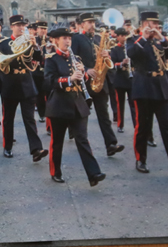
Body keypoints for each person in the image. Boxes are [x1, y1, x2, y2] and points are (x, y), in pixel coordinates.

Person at [127, 11, 168, 177]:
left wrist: (163, 39)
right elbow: (132, 54)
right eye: (152, 24)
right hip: (144, 87)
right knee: (143, 126)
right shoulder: (133, 39)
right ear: (144, 24)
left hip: (161, 86)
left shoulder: (160, 40)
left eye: (157, 24)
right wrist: (143, 37)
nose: (156, 27)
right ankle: (140, 159)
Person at [43, 28, 106, 186]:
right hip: (59, 105)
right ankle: (55, 171)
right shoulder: (51, 59)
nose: (67, 41)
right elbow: (50, 81)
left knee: (82, 140)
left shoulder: (76, 58)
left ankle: (93, 174)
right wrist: (69, 79)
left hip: (77, 103)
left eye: (69, 38)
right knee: (57, 142)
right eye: (64, 38)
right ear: (56, 40)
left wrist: (83, 73)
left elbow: (81, 78)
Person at [0, 15, 48, 161]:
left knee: (30, 119)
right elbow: (0, 65)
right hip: (10, 84)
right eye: (18, 25)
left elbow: (37, 60)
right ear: (12, 26)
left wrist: (36, 47)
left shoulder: (30, 41)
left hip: (27, 83)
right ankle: (8, 147)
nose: (21, 28)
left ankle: (36, 149)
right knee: (8, 119)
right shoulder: (3, 43)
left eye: (23, 25)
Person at [70, 13, 125, 156]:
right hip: (85, 83)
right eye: (88, 22)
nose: (92, 25)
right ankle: (82, 143)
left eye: (93, 22)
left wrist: (107, 56)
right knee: (82, 116)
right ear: (81, 24)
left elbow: (105, 56)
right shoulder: (76, 39)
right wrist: (87, 70)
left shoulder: (99, 38)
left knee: (104, 115)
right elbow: (73, 59)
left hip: (100, 82)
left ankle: (111, 144)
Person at [109, 28, 136, 133]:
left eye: (126, 36)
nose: (124, 38)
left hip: (130, 79)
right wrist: (121, 63)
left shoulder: (130, 48)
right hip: (119, 79)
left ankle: (136, 124)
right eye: (123, 36)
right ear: (118, 37)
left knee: (133, 104)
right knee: (120, 104)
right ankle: (120, 124)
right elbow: (112, 64)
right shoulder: (114, 49)